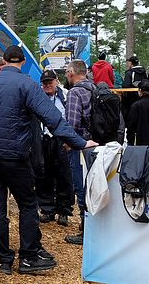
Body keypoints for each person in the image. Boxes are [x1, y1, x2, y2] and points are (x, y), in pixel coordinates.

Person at [0, 46, 97, 275]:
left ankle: (5, 258)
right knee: (28, 204)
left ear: (5, 61)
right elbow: (53, 119)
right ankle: (28, 256)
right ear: (22, 63)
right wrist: (79, 142)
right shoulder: (27, 84)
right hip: (15, 156)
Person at [63, 59, 97, 245]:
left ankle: (86, 232)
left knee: (81, 187)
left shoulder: (75, 92)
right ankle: (97, 227)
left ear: (72, 72)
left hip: (81, 147)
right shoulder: (96, 89)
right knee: (95, 186)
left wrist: (69, 143)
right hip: (99, 146)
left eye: (68, 71)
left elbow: (72, 123)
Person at [34, 70, 74, 226]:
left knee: (64, 174)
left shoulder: (66, 96)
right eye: (45, 83)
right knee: (44, 174)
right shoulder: (37, 98)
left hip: (61, 138)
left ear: (56, 81)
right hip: (43, 138)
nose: (48, 85)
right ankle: (47, 209)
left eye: (50, 82)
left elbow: (71, 117)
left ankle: (64, 211)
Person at [122, 55, 147, 123]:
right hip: (143, 96)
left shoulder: (129, 72)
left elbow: (125, 85)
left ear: (131, 63)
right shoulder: (143, 71)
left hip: (131, 97)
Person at [127, 79, 149, 146]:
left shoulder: (136, 105)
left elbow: (131, 126)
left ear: (140, 90)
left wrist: (130, 143)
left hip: (142, 143)